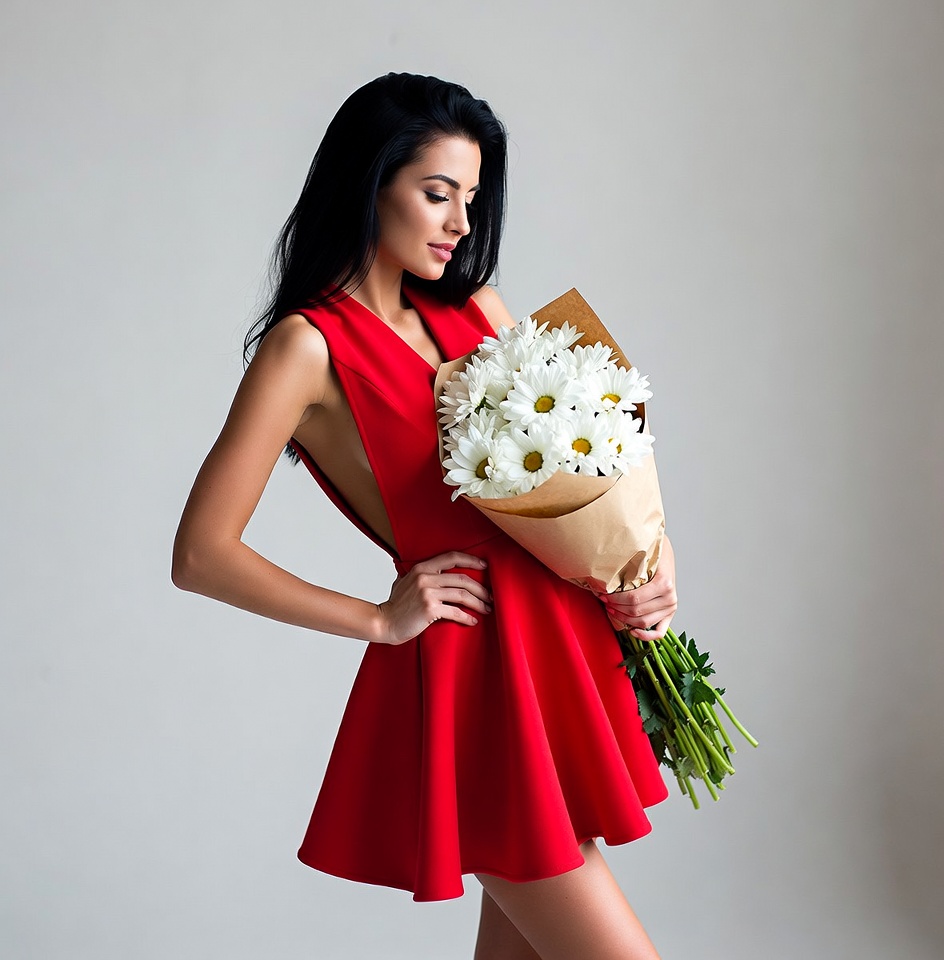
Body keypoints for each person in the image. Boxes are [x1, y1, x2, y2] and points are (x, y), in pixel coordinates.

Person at [172, 72, 678, 960]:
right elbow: (202, 554)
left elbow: (598, 456)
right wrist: (378, 617)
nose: (460, 223)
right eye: (436, 193)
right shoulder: (308, 346)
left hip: (559, 654)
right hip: (479, 682)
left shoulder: (474, 308)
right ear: (371, 185)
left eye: (472, 199)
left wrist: (652, 563)